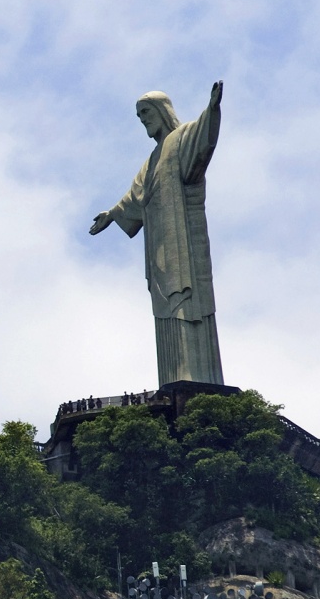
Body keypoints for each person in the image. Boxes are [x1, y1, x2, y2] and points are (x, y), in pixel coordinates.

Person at [90, 81, 225, 386]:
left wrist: (213, 110)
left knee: (187, 303)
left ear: (162, 112)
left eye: (146, 113)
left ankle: (197, 377)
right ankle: (174, 377)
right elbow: (135, 197)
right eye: (140, 117)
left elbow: (203, 140)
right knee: (166, 308)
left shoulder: (181, 139)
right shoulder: (150, 162)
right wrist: (112, 214)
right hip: (160, 251)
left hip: (183, 246)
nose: (144, 121)